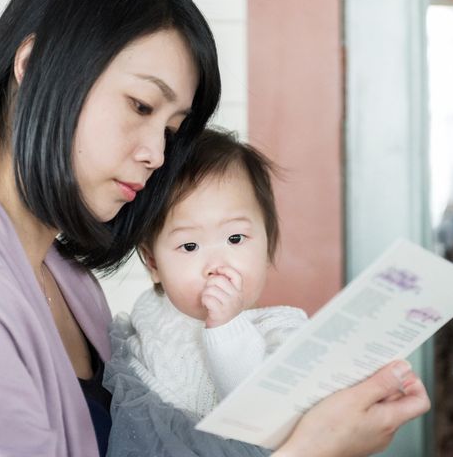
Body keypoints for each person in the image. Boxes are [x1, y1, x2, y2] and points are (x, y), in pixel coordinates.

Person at [0, 0, 429, 456]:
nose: (157, 156)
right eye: (140, 106)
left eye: (169, 129)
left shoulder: (65, 275)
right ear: (35, 64)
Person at [104, 128, 307, 455]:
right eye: (189, 245)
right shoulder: (149, 313)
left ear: (267, 243)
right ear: (153, 263)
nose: (216, 264)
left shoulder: (279, 333)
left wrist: (227, 328)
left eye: (236, 239)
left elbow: (260, 413)